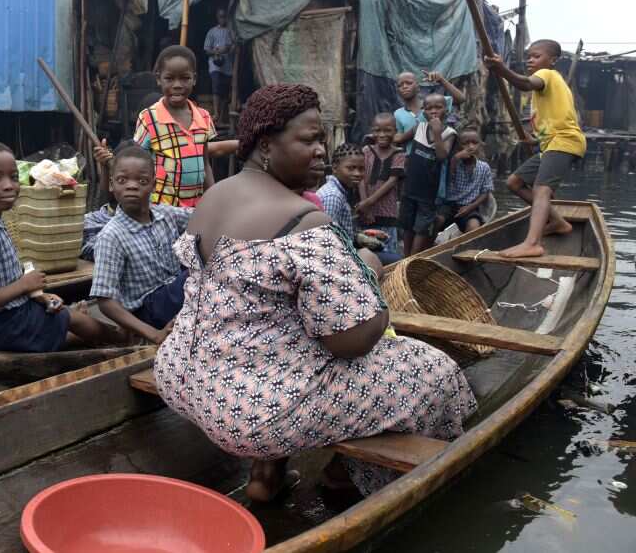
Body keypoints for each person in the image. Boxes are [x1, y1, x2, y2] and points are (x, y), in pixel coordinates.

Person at [153, 83, 476, 502]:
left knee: (291, 329)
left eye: (323, 140)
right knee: (432, 371)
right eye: (309, 140)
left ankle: (266, 476)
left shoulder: (215, 195)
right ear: (266, 145)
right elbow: (351, 342)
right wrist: (372, 275)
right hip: (249, 412)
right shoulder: (305, 221)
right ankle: (341, 476)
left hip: (181, 374)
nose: (322, 150)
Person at [0, 141, 118, 352]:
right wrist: (25, 285)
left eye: (13, 177)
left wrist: (38, 295)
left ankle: (63, 331)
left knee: (60, 311)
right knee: (75, 320)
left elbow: (1, 280)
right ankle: (123, 342)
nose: (8, 185)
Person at [485, 39, 585, 258]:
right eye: (529, 56)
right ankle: (559, 222)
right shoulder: (547, 88)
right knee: (514, 182)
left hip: (565, 141)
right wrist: (535, 140)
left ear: (552, 61)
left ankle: (532, 243)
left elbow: (524, 83)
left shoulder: (547, 75)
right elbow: (552, 121)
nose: (530, 60)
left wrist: (502, 70)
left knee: (541, 190)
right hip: (550, 143)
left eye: (536, 56)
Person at [89, 144, 192, 344]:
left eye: (142, 181)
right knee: (201, 276)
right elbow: (105, 300)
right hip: (148, 311)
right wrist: (153, 334)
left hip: (173, 295)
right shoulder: (111, 236)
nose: (132, 186)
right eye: (122, 180)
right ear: (112, 185)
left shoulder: (165, 214)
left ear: (153, 184)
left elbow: (202, 217)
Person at [133, 45, 218, 208]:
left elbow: (205, 163)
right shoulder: (149, 118)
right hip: (161, 208)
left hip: (195, 208)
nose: (177, 85)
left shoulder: (204, 117)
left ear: (194, 78)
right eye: (170, 78)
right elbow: (138, 165)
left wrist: (212, 200)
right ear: (159, 78)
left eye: (185, 78)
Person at [400, 94, 457, 256]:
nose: (433, 111)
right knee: (407, 225)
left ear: (446, 110)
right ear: (423, 111)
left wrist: (437, 133)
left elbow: (441, 155)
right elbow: (401, 139)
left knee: (422, 227)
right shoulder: (419, 127)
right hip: (410, 186)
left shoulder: (449, 133)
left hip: (429, 191)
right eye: (429, 108)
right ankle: (405, 257)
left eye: (438, 107)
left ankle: (413, 257)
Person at [357, 112, 405, 257]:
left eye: (387, 130)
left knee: (388, 254)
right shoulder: (366, 151)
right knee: (367, 252)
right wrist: (365, 207)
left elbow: (392, 181)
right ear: (372, 131)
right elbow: (361, 178)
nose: (382, 134)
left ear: (395, 132)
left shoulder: (399, 154)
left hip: (387, 215)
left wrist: (368, 203)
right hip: (366, 215)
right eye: (377, 130)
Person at [438, 128, 494, 234]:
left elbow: (485, 192)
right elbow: (445, 181)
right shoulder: (451, 162)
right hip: (448, 205)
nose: (471, 147)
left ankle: (464, 247)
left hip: (469, 206)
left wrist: (469, 207)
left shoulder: (484, 167)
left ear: (480, 144)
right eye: (466, 143)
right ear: (459, 145)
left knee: (474, 226)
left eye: (474, 143)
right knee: (438, 220)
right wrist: (455, 159)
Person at [393, 71, 465, 149]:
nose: (404, 86)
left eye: (409, 83)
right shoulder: (398, 114)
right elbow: (398, 138)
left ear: (418, 87)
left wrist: (442, 80)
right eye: (400, 85)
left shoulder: (433, 104)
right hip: (412, 159)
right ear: (397, 91)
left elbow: (460, 99)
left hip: (437, 157)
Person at [316, 142, 364, 239]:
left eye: (361, 169)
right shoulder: (333, 196)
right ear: (335, 168)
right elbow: (326, 236)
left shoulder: (341, 191)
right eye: (351, 168)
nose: (357, 173)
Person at [204, 8, 235, 120]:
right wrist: (217, 52)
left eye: (224, 16)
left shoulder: (231, 32)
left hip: (228, 66)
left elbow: (233, 47)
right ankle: (216, 114)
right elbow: (207, 50)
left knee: (225, 91)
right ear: (217, 18)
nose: (223, 19)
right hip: (215, 65)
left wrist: (229, 49)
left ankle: (221, 116)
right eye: (220, 16)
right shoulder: (212, 32)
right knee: (216, 86)